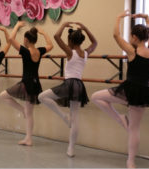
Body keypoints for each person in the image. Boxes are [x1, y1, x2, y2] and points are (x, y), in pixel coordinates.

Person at [91, 11, 149, 168]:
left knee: (95, 97)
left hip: (128, 90)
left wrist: (119, 17)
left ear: (134, 38)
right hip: (142, 92)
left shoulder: (132, 51)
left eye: (131, 36)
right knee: (134, 129)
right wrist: (147, 19)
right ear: (146, 37)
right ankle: (130, 161)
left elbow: (115, 35)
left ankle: (119, 118)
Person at [38, 22, 97, 157]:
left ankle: (64, 117)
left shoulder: (70, 52)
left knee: (42, 97)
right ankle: (71, 149)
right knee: (75, 117)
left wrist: (64, 24)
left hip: (69, 83)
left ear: (71, 41)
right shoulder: (86, 53)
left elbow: (56, 36)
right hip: (79, 85)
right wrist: (86, 28)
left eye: (68, 40)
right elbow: (95, 42)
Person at [0, 21, 53, 146]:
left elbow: (11, 39)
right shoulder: (39, 51)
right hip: (35, 83)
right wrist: (44, 33)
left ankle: (22, 111)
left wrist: (17, 25)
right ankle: (28, 138)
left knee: (3, 95)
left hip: (26, 83)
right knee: (29, 114)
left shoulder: (25, 51)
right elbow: (50, 45)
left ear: (26, 40)